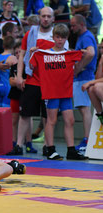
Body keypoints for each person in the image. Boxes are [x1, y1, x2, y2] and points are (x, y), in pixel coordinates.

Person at [30, 24, 87, 160]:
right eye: (58, 37)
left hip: (65, 92)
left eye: (63, 38)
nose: (60, 40)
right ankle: (50, 149)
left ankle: (71, 150)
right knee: (51, 120)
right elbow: (32, 65)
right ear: (53, 37)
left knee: (70, 120)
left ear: (66, 38)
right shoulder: (43, 53)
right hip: (51, 92)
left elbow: (90, 54)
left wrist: (83, 52)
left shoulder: (69, 54)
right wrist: (32, 52)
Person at [8, 7, 60, 156]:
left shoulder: (58, 35)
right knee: (25, 114)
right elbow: (22, 55)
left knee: (47, 116)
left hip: (49, 81)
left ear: (53, 18)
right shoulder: (30, 33)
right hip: (32, 79)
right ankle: (18, 145)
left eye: (48, 16)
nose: (45, 18)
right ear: (39, 17)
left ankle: (47, 145)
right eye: (43, 16)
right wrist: (19, 76)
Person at [70, 14, 98, 153]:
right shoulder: (83, 37)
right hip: (82, 76)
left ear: (81, 24)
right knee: (83, 108)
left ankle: (87, 140)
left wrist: (78, 68)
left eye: (74, 25)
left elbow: (91, 53)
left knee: (84, 109)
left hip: (83, 77)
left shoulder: (86, 36)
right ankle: (87, 139)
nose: (72, 27)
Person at [0, 36, 17, 107]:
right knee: (6, 113)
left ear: (3, 45)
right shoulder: (13, 58)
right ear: (13, 46)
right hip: (8, 87)